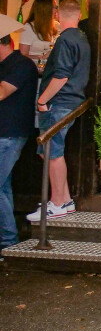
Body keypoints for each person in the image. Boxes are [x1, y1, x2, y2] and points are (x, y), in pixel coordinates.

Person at [28, 0, 90, 222]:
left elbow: (62, 75)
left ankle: (57, 202)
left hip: (59, 101)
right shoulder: (81, 37)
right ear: (79, 15)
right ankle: (63, 199)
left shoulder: (64, 40)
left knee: (52, 153)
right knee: (52, 152)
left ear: (57, 15)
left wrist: (42, 100)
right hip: (72, 100)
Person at [0, 14, 39, 246]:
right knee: (2, 188)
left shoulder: (21, 64)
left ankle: (8, 240)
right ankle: (8, 240)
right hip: (5, 134)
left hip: (10, 134)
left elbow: (2, 92)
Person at [18, 0, 57, 72]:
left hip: (50, 69)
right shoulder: (28, 28)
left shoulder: (56, 26)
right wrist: (42, 57)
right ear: (45, 9)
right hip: (33, 69)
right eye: (55, 7)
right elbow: (23, 55)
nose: (57, 10)